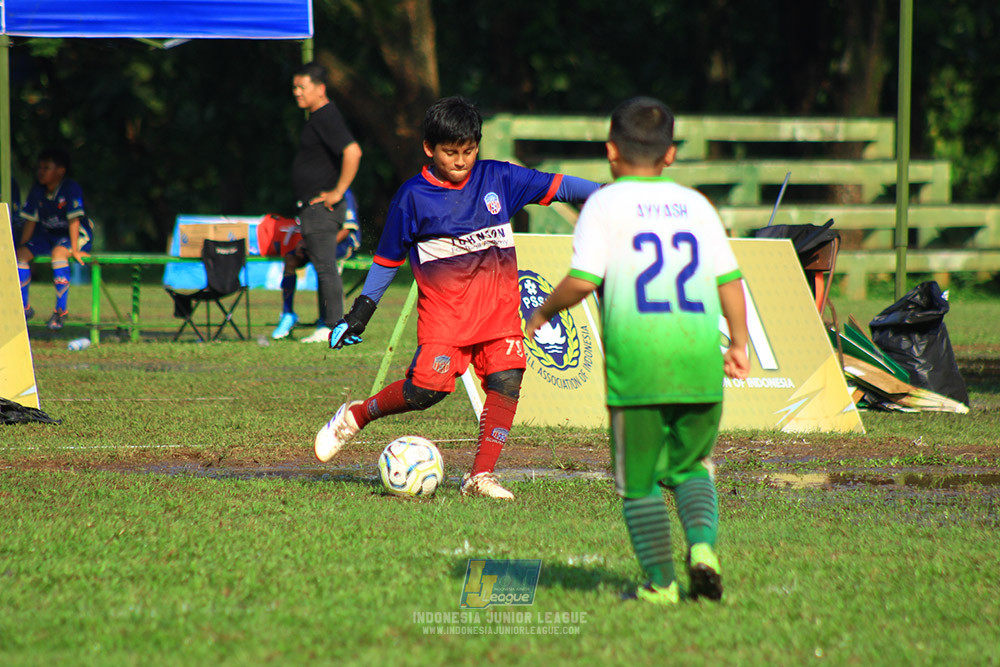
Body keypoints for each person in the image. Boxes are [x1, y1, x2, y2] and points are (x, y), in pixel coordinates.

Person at [315, 95, 601, 499]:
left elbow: (560, 185)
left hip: (498, 314)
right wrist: (360, 313)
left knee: (507, 380)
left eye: (469, 150)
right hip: (446, 318)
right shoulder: (412, 197)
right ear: (429, 149)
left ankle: (480, 476)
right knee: (424, 393)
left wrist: (608, 194)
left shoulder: (498, 179)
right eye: (450, 152)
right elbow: (386, 260)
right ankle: (356, 415)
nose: (461, 160)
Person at [525, 97, 751, 604]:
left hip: (639, 369)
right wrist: (737, 343)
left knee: (640, 482)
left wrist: (542, 313)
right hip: (698, 363)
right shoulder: (697, 205)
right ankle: (703, 550)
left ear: (610, 150)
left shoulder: (602, 205)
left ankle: (661, 584)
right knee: (692, 468)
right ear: (670, 154)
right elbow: (730, 280)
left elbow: (584, 280)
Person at [280, 61, 363, 343]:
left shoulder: (326, 115)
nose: (296, 93)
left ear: (320, 89)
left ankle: (331, 326)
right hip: (313, 209)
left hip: (322, 209)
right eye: (294, 87)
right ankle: (326, 324)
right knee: (323, 266)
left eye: (302, 87)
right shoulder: (318, 117)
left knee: (326, 267)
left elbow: (353, 152)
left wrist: (339, 191)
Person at [17, 149, 93, 330]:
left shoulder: (70, 188)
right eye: (40, 167)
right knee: (20, 255)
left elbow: (74, 220)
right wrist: (23, 246)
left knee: (59, 254)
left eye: (47, 167)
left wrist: (74, 250)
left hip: (74, 236)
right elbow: (30, 222)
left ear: (60, 171)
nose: (41, 171)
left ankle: (60, 311)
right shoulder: (37, 190)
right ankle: (24, 308)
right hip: (49, 236)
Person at [271, 190, 361, 339]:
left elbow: (348, 229)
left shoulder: (344, 193)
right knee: (291, 259)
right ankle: (288, 314)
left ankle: (328, 324)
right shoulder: (315, 194)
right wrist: (307, 243)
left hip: (341, 244)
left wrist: (321, 247)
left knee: (323, 263)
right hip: (319, 244)